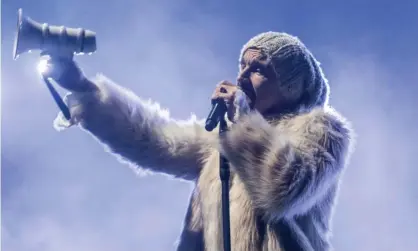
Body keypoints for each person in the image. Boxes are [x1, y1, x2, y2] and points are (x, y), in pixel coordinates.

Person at [44, 31, 355, 251]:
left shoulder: (322, 129)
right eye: (242, 66)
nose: (243, 76)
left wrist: (245, 121)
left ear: (290, 84)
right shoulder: (225, 135)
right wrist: (83, 88)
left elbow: (286, 189)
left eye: (258, 69)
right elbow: (154, 140)